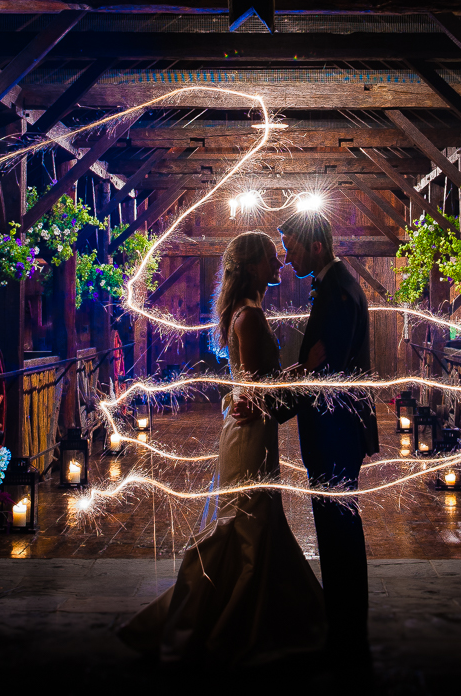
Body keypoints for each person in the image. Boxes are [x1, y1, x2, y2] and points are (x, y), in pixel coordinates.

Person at [118, 231, 327, 666]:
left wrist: (286, 375)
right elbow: (255, 393)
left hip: (254, 431)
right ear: (252, 267)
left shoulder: (245, 311)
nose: (280, 265)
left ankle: (251, 617)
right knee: (246, 526)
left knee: (254, 523)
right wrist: (305, 372)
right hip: (251, 436)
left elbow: (251, 386)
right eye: (271, 259)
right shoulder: (249, 316)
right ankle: (222, 628)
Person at [275, 209, 377, 662]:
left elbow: (329, 368)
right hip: (335, 426)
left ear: (316, 246)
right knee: (337, 524)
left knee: (337, 527)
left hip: (334, 427)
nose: (287, 256)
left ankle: (346, 627)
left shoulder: (335, 290)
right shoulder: (336, 283)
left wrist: (278, 404)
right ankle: (345, 621)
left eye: (292, 246)